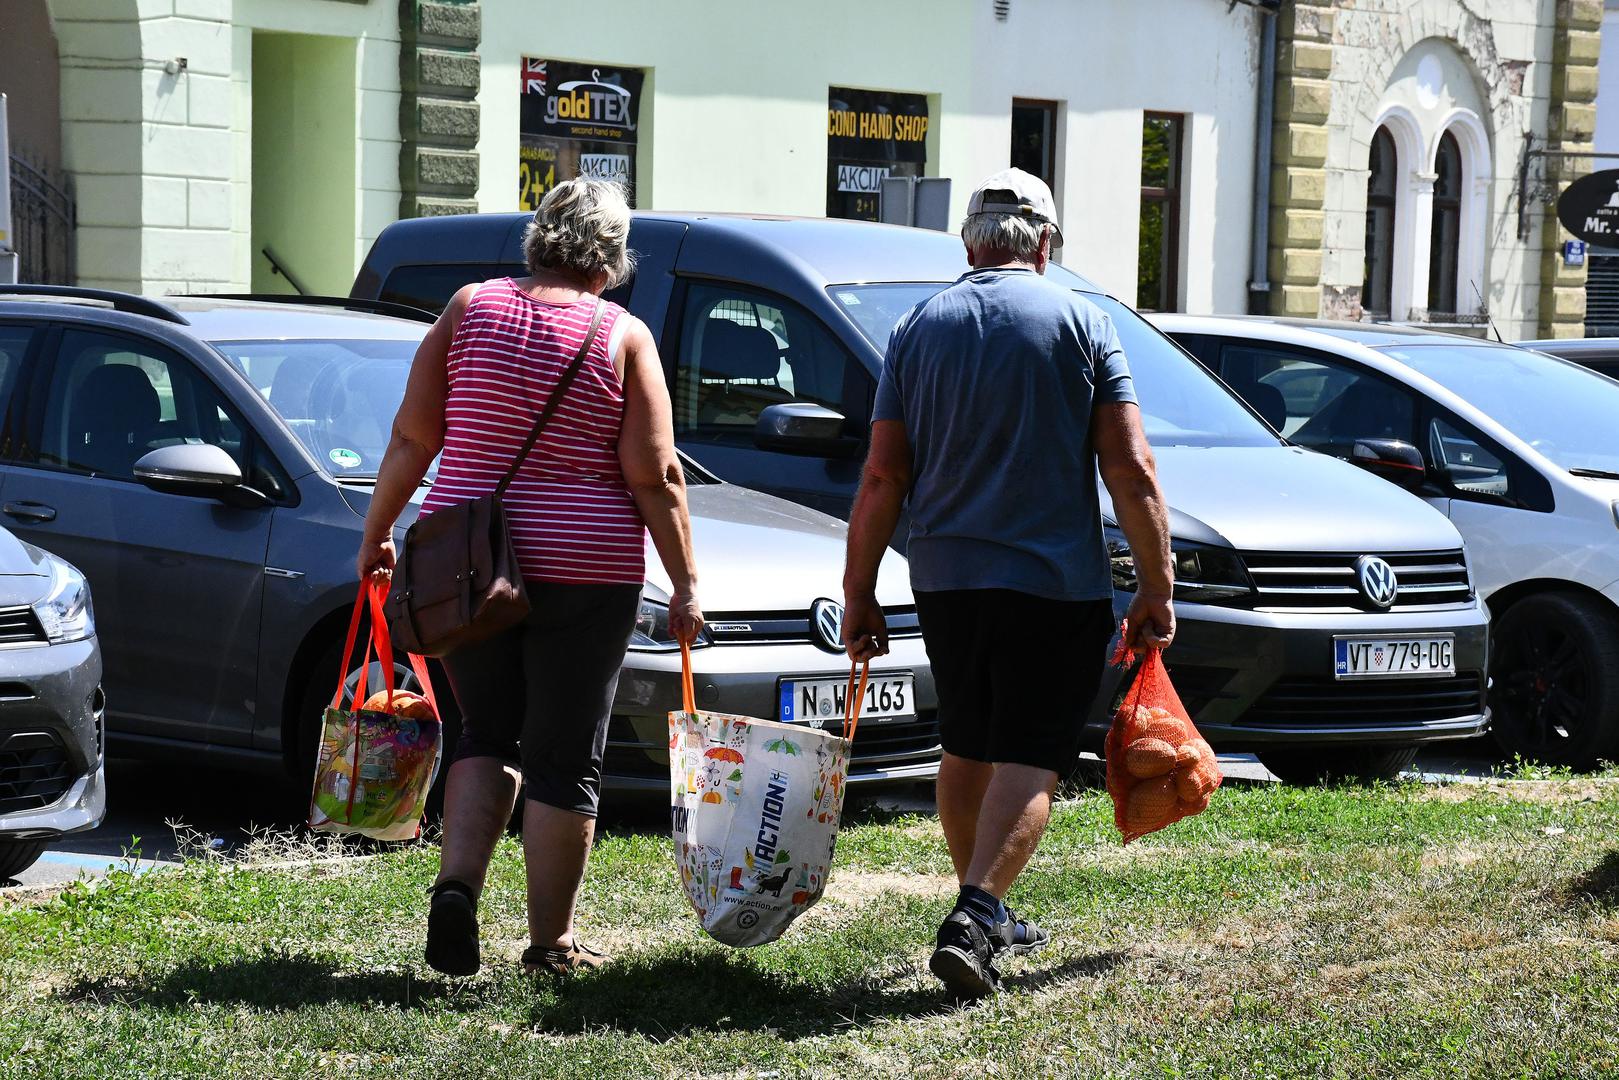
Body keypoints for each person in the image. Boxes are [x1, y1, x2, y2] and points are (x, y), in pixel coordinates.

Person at [357, 178, 703, 978]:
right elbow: (654, 475)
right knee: (563, 756)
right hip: (587, 570)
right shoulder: (622, 335)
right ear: (613, 257)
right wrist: (684, 581)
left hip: (465, 568)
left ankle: (456, 891)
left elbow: (413, 437)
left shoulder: (468, 307)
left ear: (536, 236)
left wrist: (377, 536)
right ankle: (550, 944)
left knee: (485, 732)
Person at [840, 167, 1174, 998]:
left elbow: (883, 476)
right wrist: (1156, 583)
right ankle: (981, 906)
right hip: (1051, 581)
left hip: (946, 577)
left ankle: (977, 905)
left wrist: (859, 590)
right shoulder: (1081, 322)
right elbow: (1128, 467)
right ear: (1047, 244)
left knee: (966, 743)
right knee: (1029, 754)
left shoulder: (917, 326)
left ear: (968, 244)